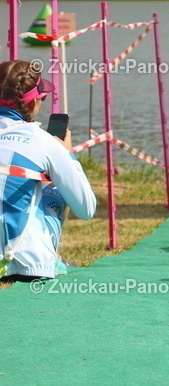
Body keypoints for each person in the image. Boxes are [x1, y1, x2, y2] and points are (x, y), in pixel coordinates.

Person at [0, 60, 96, 283]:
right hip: (28, 265)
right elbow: (87, 209)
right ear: (33, 103)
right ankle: (54, 257)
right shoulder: (44, 141)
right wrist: (68, 155)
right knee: (55, 188)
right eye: (42, 97)